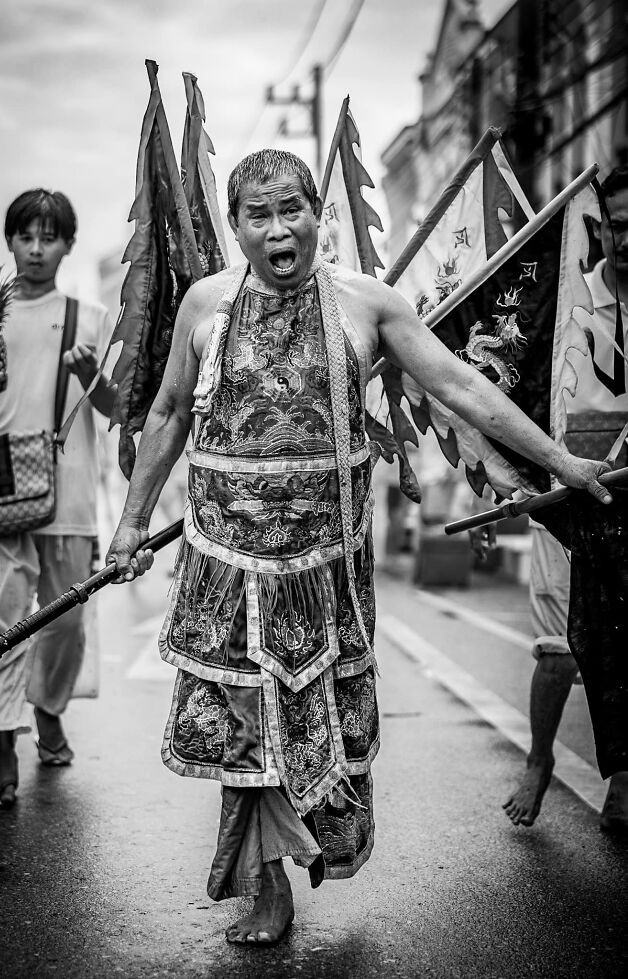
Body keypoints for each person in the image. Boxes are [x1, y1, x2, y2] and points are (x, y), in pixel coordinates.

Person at [106, 149, 611, 946]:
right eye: (258, 216)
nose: (278, 229)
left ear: (318, 214)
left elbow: (462, 387)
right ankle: (266, 888)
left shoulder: (367, 305)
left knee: (317, 727)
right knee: (246, 730)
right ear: (237, 227)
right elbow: (169, 413)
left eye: (291, 210)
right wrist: (132, 523)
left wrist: (563, 461)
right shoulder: (205, 305)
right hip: (223, 567)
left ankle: (305, 853)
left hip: (326, 571)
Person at [0, 189, 115, 808]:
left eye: (50, 238)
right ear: (10, 241)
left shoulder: (89, 317)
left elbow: (117, 408)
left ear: (67, 244)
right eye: (25, 237)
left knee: (64, 622)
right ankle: (3, 749)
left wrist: (95, 376)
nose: (36, 249)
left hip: (68, 493)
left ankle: (48, 709)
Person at [502, 165, 628, 831]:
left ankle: (623, 774)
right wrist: (503, 476)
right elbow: (501, 391)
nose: (626, 238)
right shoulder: (561, 303)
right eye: (618, 224)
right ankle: (539, 756)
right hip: (564, 497)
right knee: (558, 645)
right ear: (600, 225)